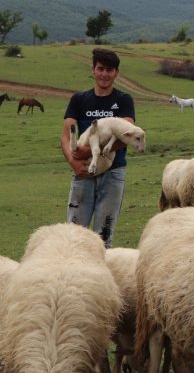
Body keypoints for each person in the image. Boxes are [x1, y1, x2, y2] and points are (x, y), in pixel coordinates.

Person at [60, 48, 136, 248]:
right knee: (74, 234)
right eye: (100, 69)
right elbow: (67, 133)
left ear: (116, 73)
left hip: (113, 173)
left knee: (103, 236)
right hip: (83, 172)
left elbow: (127, 135)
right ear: (93, 69)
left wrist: (91, 150)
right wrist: (73, 162)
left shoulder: (123, 100)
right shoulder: (79, 99)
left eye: (109, 70)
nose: (104, 74)